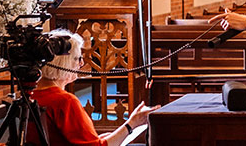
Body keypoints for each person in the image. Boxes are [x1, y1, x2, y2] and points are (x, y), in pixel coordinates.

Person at [25, 29, 159, 146]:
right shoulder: (64, 101)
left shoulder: (29, 94)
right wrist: (132, 124)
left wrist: (106, 137)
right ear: (64, 64)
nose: (81, 63)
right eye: (78, 58)